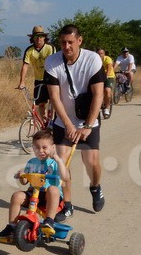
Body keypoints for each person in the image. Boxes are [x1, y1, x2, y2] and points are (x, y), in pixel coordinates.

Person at [43, 24, 106, 217]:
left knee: (91, 163)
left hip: (88, 121)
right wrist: (68, 125)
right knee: (61, 163)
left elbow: (98, 95)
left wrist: (87, 126)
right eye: (63, 42)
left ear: (79, 40)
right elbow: (54, 97)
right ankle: (67, 204)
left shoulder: (92, 59)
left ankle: (95, 187)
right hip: (64, 121)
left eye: (70, 42)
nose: (67, 46)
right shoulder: (52, 62)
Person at [0, 128, 70, 243]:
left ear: (52, 147)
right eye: (37, 148)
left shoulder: (55, 163)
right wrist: (22, 176)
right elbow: (24, 182)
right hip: (34, 194)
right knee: (17, 196)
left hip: (50, 197)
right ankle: (12, 225)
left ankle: (49, 221)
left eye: (44, 147)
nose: (40, 151)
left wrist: (57, 158)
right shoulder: (32, 162)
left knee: (53, 189)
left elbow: (65, 178)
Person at [16, 25, 55, 119]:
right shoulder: (29, 50)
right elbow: (25, 65)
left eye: (41, 36)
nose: (38, 39)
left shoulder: (50, 48)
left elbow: (53, 63)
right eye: (36, 37)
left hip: (51, 79)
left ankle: (52, 121)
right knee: (41, 103)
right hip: (39, 80)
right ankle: (44, 121)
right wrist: (22, 82)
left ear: (44, 37)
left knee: (54, 101)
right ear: (33, 38)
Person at [96, 48, 115, 119]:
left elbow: (109, 68)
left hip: (109, 77)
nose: (100, 55)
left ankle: (107, 108)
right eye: (98, 53)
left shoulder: (107, 59)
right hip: (99, 77)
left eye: (101, 53)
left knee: (107, 90)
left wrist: (106, 75)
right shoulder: (94, 60)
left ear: (104, 54)